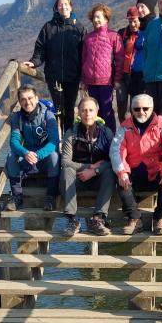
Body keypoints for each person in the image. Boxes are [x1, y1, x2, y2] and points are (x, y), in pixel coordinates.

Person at [110, 94, 162, 236]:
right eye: (137, 109)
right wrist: (122, 172)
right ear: (132, 110)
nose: (141, 112)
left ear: (152, 108)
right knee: (121, 181)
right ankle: (134, 219)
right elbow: (116, 150)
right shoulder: (124, 127)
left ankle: (159, 219)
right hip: (134, 173)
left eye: (145, 108)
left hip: (156, 172)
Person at [23, 0, 86, 134]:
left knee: (69, 110)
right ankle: (56, 140)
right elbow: (40, 50)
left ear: (71, 6)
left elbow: (84, 54)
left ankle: (68, 141)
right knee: (58, 110)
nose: (63, 6)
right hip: (54, 76)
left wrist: (83, 76)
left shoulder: (79, 28)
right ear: (56, 8)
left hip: (73, 76)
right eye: (60, 4)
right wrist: (33, 62)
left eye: (66, 4)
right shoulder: (48, 27)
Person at [61, 96, 116, 237]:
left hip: (99, 179)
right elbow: (65, 161)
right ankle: (72, 220)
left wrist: (95, 171)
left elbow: (114, 160)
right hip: (78, 178)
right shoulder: (71, 133)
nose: (87, 113)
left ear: (97, 111)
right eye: (84, 110)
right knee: (67, 170)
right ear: (78, 112)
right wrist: (88, 167)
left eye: (91, 110)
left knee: (110, 172)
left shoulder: (106, 133)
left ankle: (98, 219)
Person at [5, 85, 60, 212]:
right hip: (28, 158)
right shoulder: (17, 118)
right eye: (23, 99)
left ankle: (51, 197)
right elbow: (14, 141)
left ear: (36, 98)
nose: (27, 102)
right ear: (19, 102)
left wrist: (38, 155)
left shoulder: (48, 116)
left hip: (44, 159)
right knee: (11, 156)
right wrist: (24, 153)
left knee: (55, 156)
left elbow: (54, 142)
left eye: (30, 98)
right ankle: (17, 197)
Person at [81, 3, 124, 134]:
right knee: (92, 112)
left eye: (99, 17)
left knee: (106, 111)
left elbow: (120, 60)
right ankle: (95, 139)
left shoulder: (113, 36)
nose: (96, 20)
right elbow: (84, 59)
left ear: (106, 18)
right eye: (94, 17)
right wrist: (83, 80)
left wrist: (117, 79)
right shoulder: (88, 38)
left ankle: (110, 139)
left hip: (106, 82)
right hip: (90, 83)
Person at [130, 0, 157, 100]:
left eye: (142, 7)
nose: (139, 10)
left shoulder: (155, 25)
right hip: (136, 72)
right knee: (134, 106)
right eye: (138, 7)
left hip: (147, 74)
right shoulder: (141, 26)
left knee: (144, 106)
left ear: (149, 7)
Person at [116, 7, 140, 123]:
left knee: (134, 107)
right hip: (122, 76)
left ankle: (134, 133)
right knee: (121, 107)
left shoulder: (144, 34)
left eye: (135, 21)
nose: (132, 24)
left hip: (137, 77)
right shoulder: (122, 33)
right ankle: (122, 130)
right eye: (130, 21)